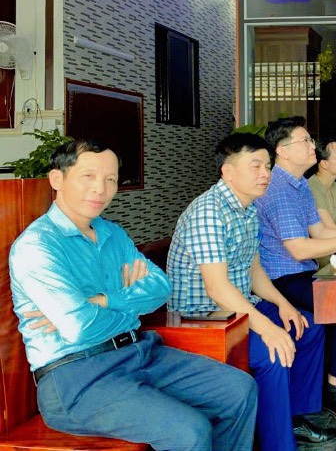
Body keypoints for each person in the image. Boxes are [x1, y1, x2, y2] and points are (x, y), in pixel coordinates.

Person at [9, 140, 257, 450]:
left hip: (139, 352)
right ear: (57, 179)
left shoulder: (113, 234)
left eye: (111, 179)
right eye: (88, 176)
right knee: (189, 432)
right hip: (77, 377)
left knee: (239, 389)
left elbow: (160, 288)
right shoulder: (38, 246)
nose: (100, 188)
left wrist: (103, 300)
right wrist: (127, 301)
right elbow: (79, 327)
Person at [167, 133, 336, 449]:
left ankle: (294, 418)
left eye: (268, 166)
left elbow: (254, 270)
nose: (265, 173)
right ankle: (278, 443)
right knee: (273, 351)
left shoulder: (247, 210)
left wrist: (282, 304)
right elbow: (217, 288)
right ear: (228, 172)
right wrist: (268, 328)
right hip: (202, 320)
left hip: (238, 309)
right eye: (255, 166)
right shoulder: (209, 211)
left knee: (309, 327)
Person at [255, 117, 336, 422]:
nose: (313, 146)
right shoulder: (279, 189)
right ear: (282, 151)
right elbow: (298, 249)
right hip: (280, 279)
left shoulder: (299, 185)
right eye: (306, 141)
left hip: (302, 272)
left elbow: (320, 232)